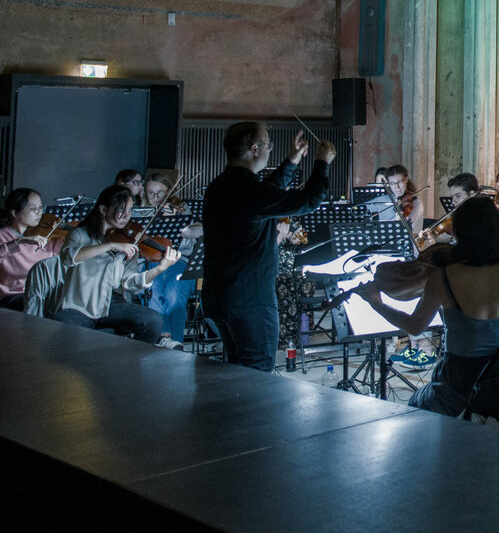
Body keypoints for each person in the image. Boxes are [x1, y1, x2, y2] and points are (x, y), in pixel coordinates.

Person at [359, 195, 499, 418]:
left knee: (415, 405)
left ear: (460, 233)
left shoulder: (444, 277)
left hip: (460, 386)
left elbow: (414, 327)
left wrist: (375, 302)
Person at [201, 124, 335, 371]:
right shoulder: (250, 191)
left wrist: (292, 161)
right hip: (250, 301)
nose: (269, 150)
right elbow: (308, 201)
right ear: (254, 149)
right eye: (267, 145)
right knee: (257, 374)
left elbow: (266, 191)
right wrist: (322, 163)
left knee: (236, 369)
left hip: (221, 296)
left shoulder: (220, 186)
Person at [51, 185, 180, 342]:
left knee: (152, 320)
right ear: (104, 210)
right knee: (62, 323)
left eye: (130, 211)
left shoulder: (129, 241)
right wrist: (109, 246)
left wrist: (160, 268)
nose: (126, 216)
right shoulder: (80, 234)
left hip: (113, 304)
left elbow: (130, 282)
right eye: (120, 210)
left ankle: (132, 362)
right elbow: (67, 257)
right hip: (79, 305)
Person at [143, 170, 203, 347]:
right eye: (151, 193)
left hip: (179, 263)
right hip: (150, 262)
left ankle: (175, 343)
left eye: (161, 192)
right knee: (153, 291)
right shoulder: (142, 213)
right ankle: (164, 337)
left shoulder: (181, 209)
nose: (156, 197)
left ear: (169, 192)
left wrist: (178, 220)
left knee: (174, 295)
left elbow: (192, 237)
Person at [1, 188, 63, 311]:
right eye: (33, 209)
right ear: (14, 213)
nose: (39, 213)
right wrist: (20, 241)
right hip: (14, 296)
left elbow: (66, 258)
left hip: (45, 294)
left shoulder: (50, 235)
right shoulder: (2, 236)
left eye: (41, 208)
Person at [383, 163, 423, 234]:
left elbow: (408, 227)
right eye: (392, 183)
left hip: (412, 241)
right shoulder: (386, 201)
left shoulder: (416, 202)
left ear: (406, 179)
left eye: (399, 182)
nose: (397, 187)